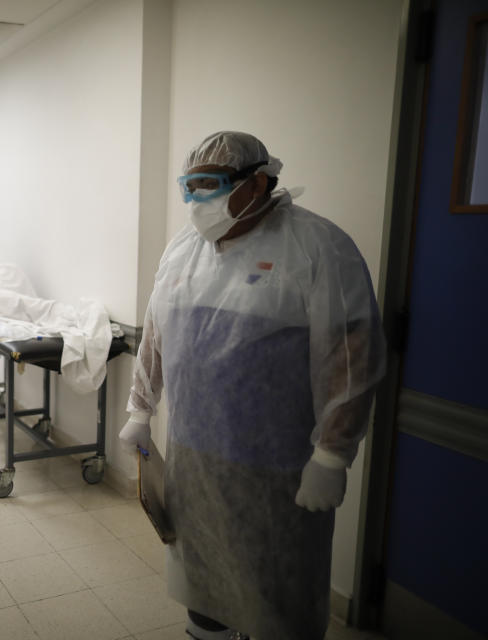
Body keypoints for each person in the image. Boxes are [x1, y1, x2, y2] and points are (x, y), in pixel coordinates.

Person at [121, 131, 385, 640]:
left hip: (276, 473)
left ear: (258, 182)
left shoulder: (317, 247)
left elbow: (352, 360)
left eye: (209, 185)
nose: (197, 201)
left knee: (275, 600)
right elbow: (157, 332)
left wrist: (331, 457)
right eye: (189, 187)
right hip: (194, 460)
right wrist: (140, 408)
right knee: (203, 589)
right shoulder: (184, 249)